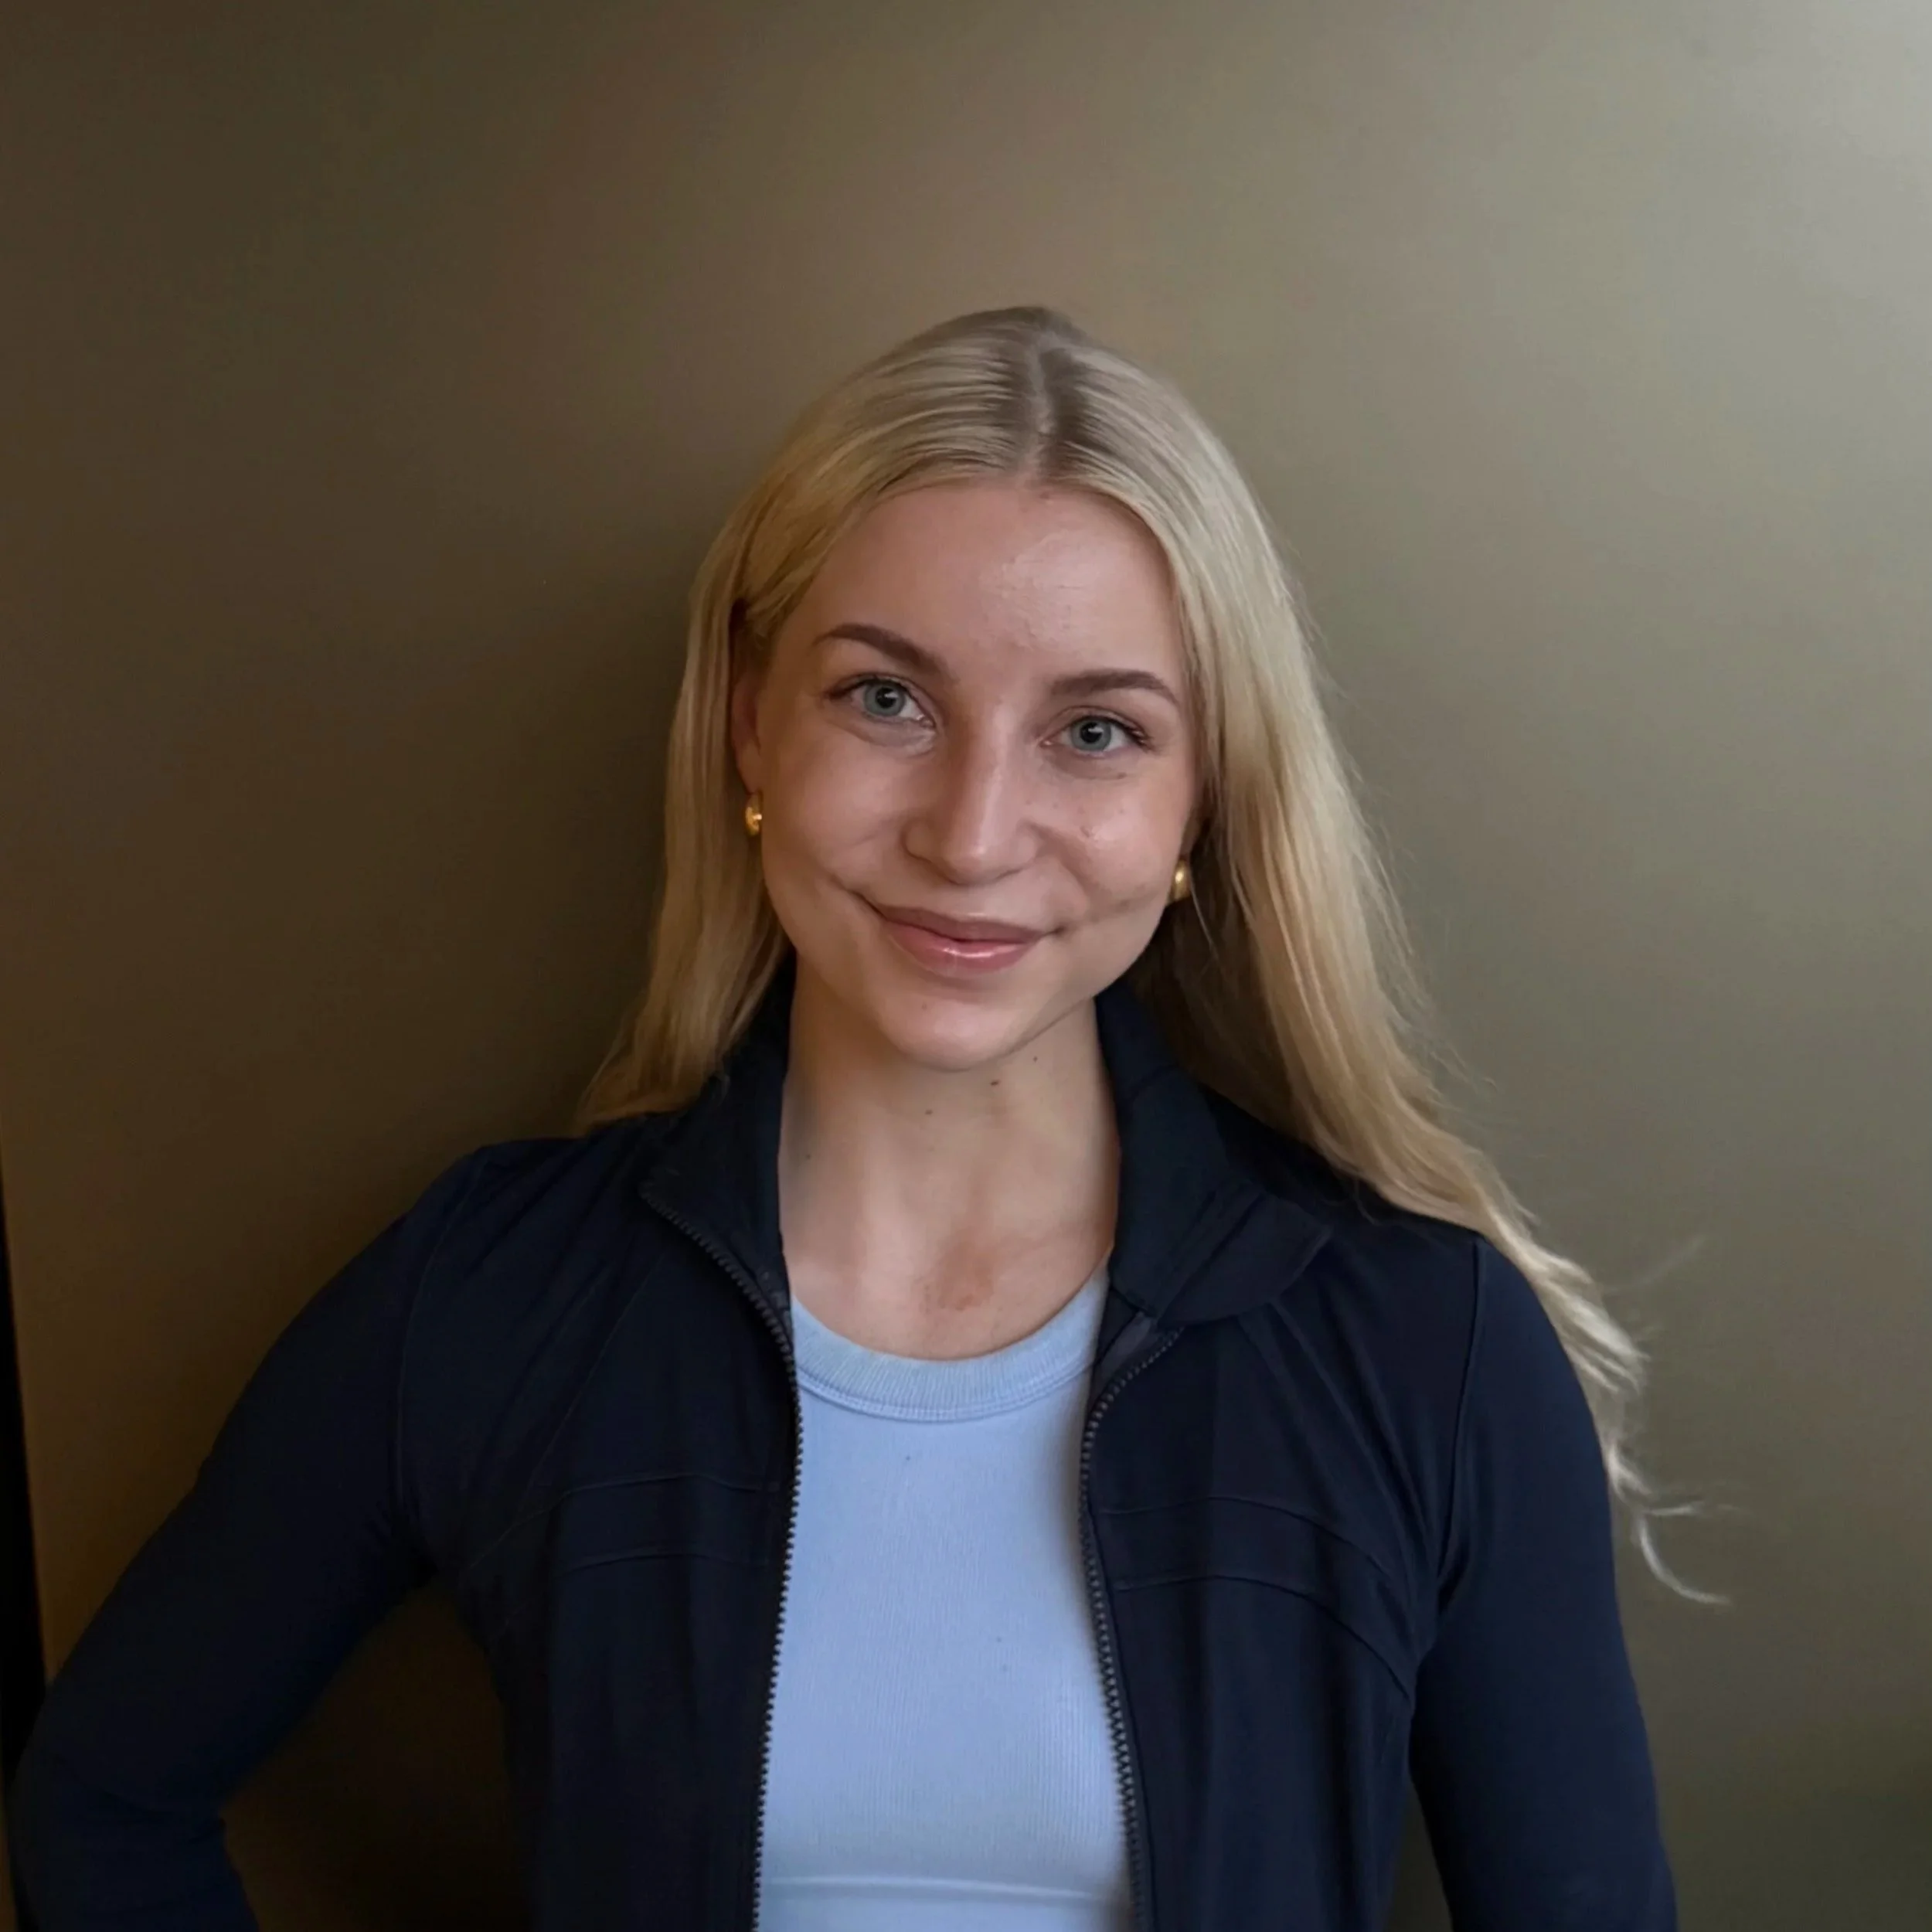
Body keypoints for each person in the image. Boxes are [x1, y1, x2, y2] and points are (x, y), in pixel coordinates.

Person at [9, 306, 1677, 1930]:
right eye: (885, 698)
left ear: (1199, 801)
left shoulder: (1420, 1342)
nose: (970, 831)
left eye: (1093, 731)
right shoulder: (494, 1292)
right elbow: (99, 1800)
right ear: (750, 718)